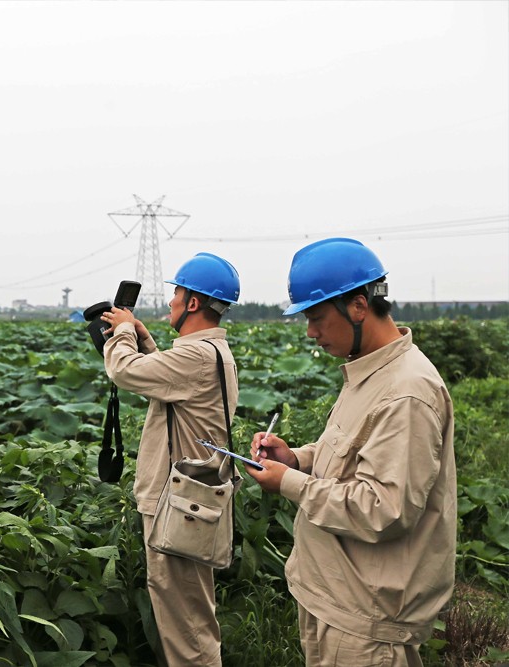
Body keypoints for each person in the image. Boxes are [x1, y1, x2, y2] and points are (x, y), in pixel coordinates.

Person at [245, 238, 456, 667]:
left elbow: (385, 508)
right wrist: (297, 459)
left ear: (358, 306)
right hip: (338, 601)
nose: (310, 331)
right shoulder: (372, 371)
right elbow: (347, 454)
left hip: (368, 623)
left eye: (317, 317)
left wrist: (288, 483)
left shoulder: (406, 392)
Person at [101, 252, 241, 666]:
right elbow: (165, 380)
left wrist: (123, 333)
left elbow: (125, 372)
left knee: (186, 624)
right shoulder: (205, 354)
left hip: (179, 505)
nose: (171, 301)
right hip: (188, 502)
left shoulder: (195, 357)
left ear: (193, 302)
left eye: (177, 293)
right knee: (189, 611)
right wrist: (143, 338)